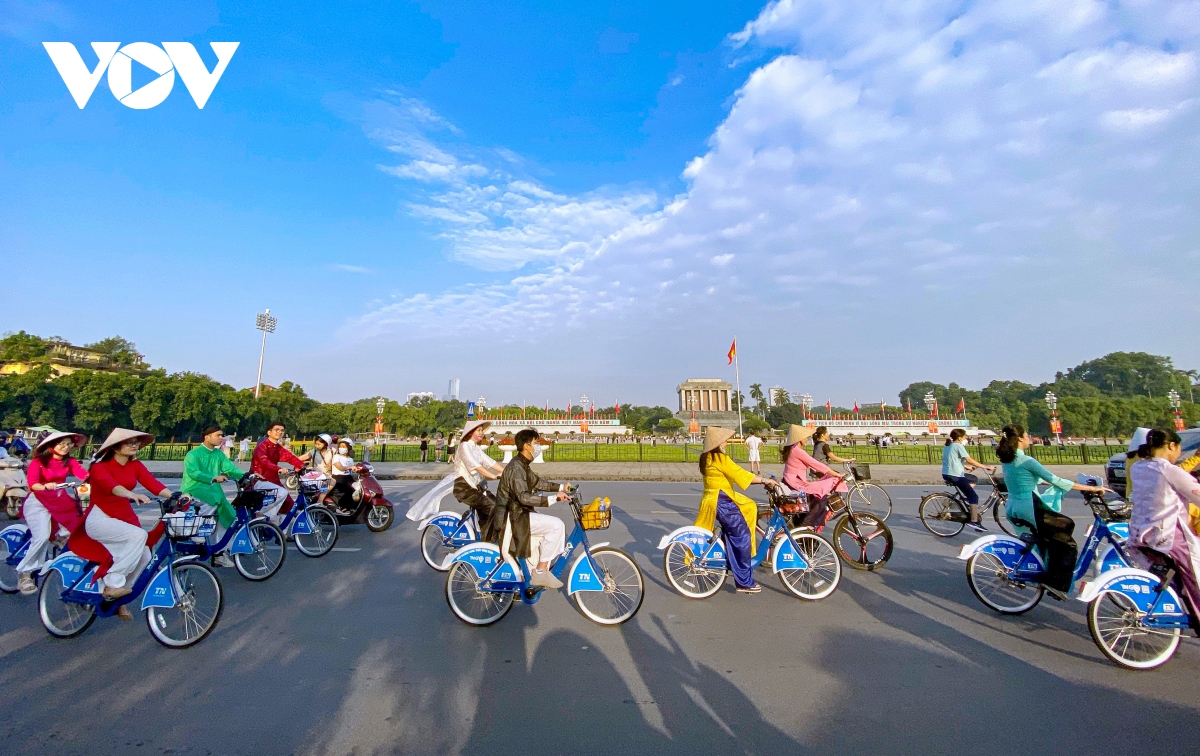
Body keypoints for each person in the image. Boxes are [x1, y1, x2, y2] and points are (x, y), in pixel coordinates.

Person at [70, 428, 172, 619]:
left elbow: (154, 484)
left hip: (122, 518)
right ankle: (112, 583)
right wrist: (132, 494)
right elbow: (113, 487)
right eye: (128, 442)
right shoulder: (100, 467)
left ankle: (119, 598)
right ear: (115, 447)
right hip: (100, 519)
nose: (134, 445)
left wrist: (178, 495)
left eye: (136, 442)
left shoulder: (135, 466)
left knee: (145, 556)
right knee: (139, 536)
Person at [996, 424, 1107, 595]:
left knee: (1050, 537)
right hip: (1029, 507)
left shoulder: (1008, 460)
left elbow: (1037, 480)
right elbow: (1056, 480)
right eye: (1027, 435)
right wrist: (1090, 488)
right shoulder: (1027, 461)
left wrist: (1056, 483)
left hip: (1013, 507)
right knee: (1066, 536)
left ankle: (1048, 571)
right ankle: (1057, 583)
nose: (1029, 438)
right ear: (1019, 439)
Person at [694, 426, 781, 594]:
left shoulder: (707, 457)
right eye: (724, 440)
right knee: (742, 535)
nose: (726, 442)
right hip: (722, 501)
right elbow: (740, 474)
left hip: (717, 498)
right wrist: (764, 480)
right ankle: (744, 582)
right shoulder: (719, 458)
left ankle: (735, 556)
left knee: (749, 507)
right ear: (718, 443)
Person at [1128, 428, 1200, 615]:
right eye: (1179, 450)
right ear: (1171, 446)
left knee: (1183, 578)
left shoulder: (1138, 467)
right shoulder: (1168, 469)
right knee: (1197, 577)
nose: (1179, 455)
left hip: (1141, 535)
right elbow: (1195, 493)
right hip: (1169, 537)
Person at [495, 429, 570, 589]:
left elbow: (537, 482)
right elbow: (523, 497)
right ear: (527, 446)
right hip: (513, 516)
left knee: (548, 530)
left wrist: (562, 487)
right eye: (536, 443)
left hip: (519, 513)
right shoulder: (517, 467)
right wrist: (554, 498)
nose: (538, 446)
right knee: (556, 525)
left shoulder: (522, 464)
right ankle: (541, 573)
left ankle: (531, 571)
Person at [16, 430, 87, 594]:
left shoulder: (69, 461)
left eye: (69, 444)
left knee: (76, 529)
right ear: (51, 446)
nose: (66, 447)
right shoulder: (38, 462)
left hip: (59, 500)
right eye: (62, 444)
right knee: (42, 536)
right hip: (38, 501)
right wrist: (44, 486)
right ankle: (25, 572)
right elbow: (33, 484)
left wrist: (97, 480)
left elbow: (83, 474)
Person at [180, 425, 245, 568]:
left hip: (213, 491)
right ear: (207, 437)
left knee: (228, 516)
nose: (221, 438)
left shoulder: (218, 454)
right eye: (218, 435)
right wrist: (213, 478)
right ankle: (197, 532)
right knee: (212, 504)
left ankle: (219, 553)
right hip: (194, 489)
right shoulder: (193, 454)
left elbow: (230, 468)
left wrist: (246, 475)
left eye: (222, 435)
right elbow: (193, 473)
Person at [779, 424, 847, 531]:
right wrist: (836, 474)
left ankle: (803, 523)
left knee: (815, 498)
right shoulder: (798, 451)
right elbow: (815, 464)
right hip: (795, 483)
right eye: (806, 437)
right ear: (800, 439)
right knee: (821, 498)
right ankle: (807, 525)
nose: (807, 439)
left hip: (792, 481)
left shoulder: (792, 449)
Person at [452, 420, 506, 541]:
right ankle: (486, 541)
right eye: (479, 430)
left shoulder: (475, 447)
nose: (482, 433)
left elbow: (489, 462)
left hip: (476, 487)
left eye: (482, 430)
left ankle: (489, 537)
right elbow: (475, 465)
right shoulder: (464, 446)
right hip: (464, 487)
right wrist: (492, 476)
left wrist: (506, 471)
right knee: (491, 507)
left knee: (499, 505)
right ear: (471, 432)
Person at [250, 421, 312, 523]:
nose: (279, 432)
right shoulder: (262, 446)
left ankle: (282, 534)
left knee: (289, 506)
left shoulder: (277, 447)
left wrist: (302, 466)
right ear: (269, 432)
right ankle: (262, 514)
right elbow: (264, 462)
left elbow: (290, 457)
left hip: (274, 481)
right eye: (276, 430)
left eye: (282, 430)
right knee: (282, 493)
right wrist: (278, 469)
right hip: (260, 479)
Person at [942, 428, 997, 533]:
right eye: (964, 436)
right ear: (959, 438)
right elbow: (970, 459)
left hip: (947, 474)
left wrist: (965, 467)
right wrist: (985, 467)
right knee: (974, 496)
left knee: (973, 479)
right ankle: (974, 521)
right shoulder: (958, 446)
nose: (966, 437)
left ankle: (966, 499)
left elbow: (952, 461)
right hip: (956, 475)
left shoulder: (948, 446)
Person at [327, 438, 356, 514]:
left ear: (348, 448)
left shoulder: (350, 459)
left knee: (356, 490)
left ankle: (351, 507)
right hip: (338, 477)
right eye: (340, 446)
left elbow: (354, 468)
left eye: (344, 447)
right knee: (346, 491)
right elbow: (339, 467)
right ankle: (342, 507)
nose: (341, 448)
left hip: (348, 477)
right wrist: (349, 467)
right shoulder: (337, 457)